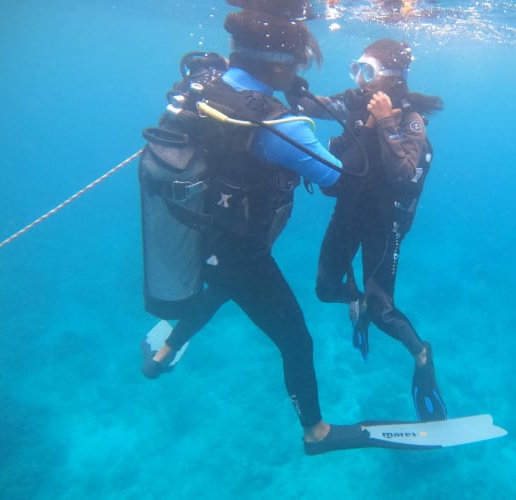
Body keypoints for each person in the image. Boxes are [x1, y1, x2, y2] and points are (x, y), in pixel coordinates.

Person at [138, 3, 365, 453]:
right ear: (280, 66)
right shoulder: (277, 125)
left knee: (219, 287)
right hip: (241, 251)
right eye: (301, 62)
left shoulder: (209, 86)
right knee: (296, 340)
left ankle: (162, 356)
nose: (302, 71)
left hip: (201, 232)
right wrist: (368, 131)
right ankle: (316, 432)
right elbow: (341, 180)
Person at [288, 39, 447, 422]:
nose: (360, 80)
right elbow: (307, 105)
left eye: (369, 71)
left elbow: (403, 173)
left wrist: (386, 122)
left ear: (392, 77)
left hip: (385, 222)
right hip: (349, 211)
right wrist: (289, 75)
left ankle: (421, 354)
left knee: (382, 311)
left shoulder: (410, 120)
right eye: (356, 69)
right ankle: (353, 300)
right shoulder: (355, 101)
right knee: (326, 290)